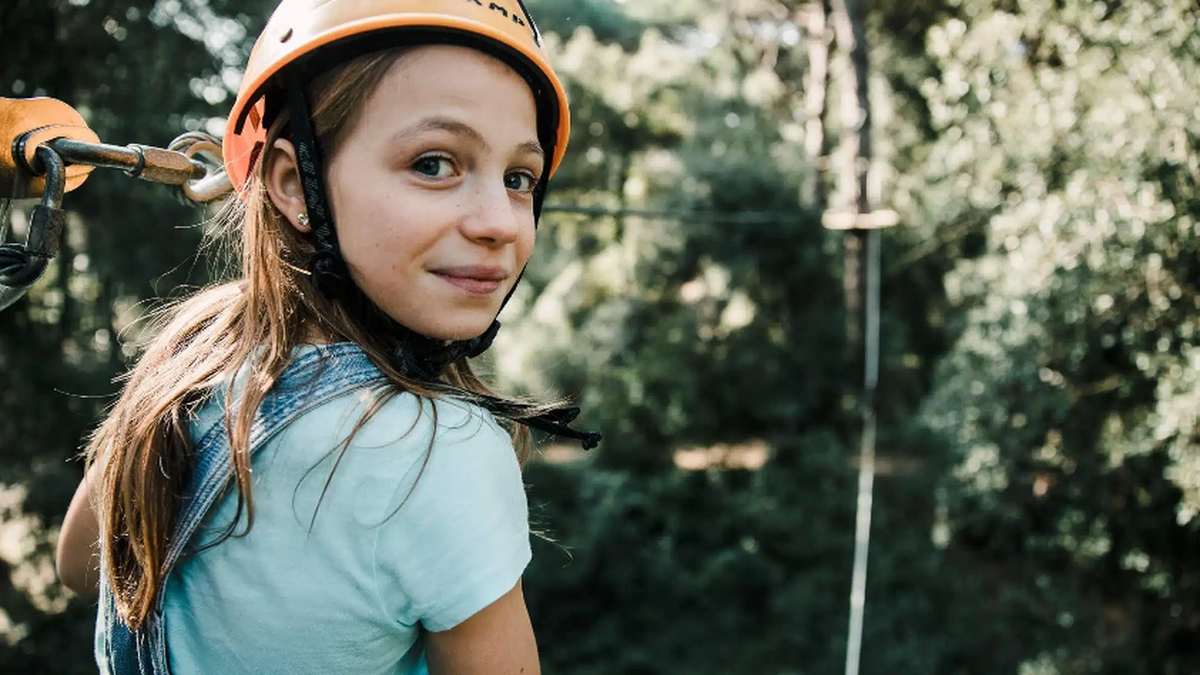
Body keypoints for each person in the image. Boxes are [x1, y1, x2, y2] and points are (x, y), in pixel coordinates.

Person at [53, 1, 599, 673]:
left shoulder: (195, 352)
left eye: (520, 178)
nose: (500, 222)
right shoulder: (440, 452)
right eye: (434, 163)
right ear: (293, 183)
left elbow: (83, 565)